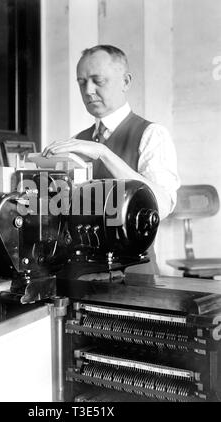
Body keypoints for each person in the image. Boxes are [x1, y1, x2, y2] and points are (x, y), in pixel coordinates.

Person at [42, 45, 180, 274]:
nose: (88, 90)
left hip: (135, 276)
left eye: (98, 80)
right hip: (83, 276)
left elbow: (162, 206)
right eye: (81, 82)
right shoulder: (78, 141)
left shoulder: (152, 134)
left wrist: (103, 153)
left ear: (125, 82)